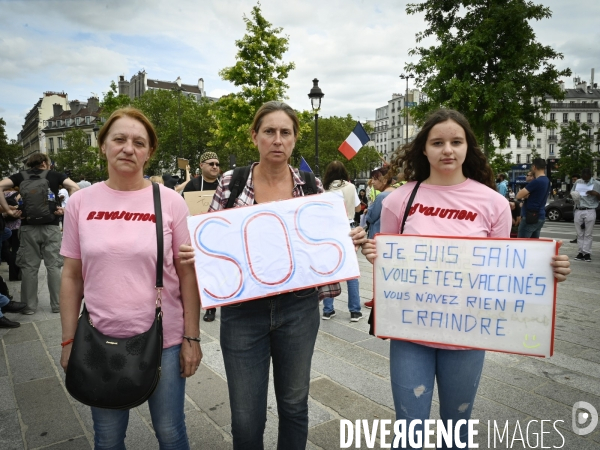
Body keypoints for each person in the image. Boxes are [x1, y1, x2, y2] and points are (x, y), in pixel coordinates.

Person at [360, 109, 571, 450]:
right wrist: (375, 254)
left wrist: (545, 270)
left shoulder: (493, 203)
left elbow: (503, 268)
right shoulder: (397, 200)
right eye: (438, 142)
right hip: (410, 332)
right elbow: (388, 259)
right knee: (408, 430)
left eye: (456, 142)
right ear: (423, 149)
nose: (448, 150)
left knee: (456, 430)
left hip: (468, 333)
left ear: (467, 147)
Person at [179, 101, 366, 450]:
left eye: (285, 132)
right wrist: (197, 253)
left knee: (295, 405)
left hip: (298, 309)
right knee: (247, 416)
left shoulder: (311, 186)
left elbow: (322, 243)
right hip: (243, 314)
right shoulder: (231, 183)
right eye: (269, 132)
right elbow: (210, 239)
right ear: (255, 136)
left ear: (295, 139)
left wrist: (347, 240)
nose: (277, 140)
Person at [59, 107, 202, 449]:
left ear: (149, 151)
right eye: (119, 139)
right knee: (107, 438)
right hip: (98, 338)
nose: (128, 148)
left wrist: (192, 338)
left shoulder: (169, 202)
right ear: (103, 145)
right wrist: (68, 341)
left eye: (139, 142)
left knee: (170, 431)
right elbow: (71, 276)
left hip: (163, 339)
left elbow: (187, 274)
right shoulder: (80, 203)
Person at [0, 153, 79, 314]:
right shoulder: (54, 175)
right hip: (51, 227)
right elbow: (75, 187)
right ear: (44, 163)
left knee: (29, 268)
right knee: (53, 266)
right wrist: (66, 209)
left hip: (28, 227)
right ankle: (57, 305)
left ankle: (29, 307)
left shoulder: (20, 176)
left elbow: (0, 186)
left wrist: (8, 210)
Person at [181, 151, 221, 322]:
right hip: (201, 235)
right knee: (207, 272)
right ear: (201, 165)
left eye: (217, 164)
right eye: (211, 163)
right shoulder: (193, 186)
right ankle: (210, 307)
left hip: (222, 232)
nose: (215, 167)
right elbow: (184, 209)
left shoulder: (225, 184)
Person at [321, 160, 362, 322]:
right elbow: (359, 208)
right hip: (349, 228)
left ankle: (328, 309)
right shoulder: (351, 187)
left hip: (331, 230)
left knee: (331, 269)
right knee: (351, 271)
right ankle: (355, 311)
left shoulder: (324, 189)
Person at [363, 165, 397, 309]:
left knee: (378, 271)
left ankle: (377, 299)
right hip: (392, 237)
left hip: (378, 235)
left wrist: (367, 211)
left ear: (383, 179)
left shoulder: (382, 196)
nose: (373, 182)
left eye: (375, 179)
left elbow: (371, 217)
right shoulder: (397, 192)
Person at [516, 159, 550, 238]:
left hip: (530, 217)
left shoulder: (536, 182)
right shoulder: (546, 180)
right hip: (540, 215)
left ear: (534, 167)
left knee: (522, 245)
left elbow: (518, 195)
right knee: (533, 245)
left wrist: (525, 195)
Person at [571, 168, 600, 261]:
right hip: (579, 209)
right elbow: (571, 192)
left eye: (586, 179)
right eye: (583, 178)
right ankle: (580, 252)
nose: (585, 180)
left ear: (590, 175)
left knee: (588, 233)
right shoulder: (578, 182)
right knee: (579, 233)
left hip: (590, 209)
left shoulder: (597, 184)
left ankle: (586, 253)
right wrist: (575, 195)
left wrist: (596, 194)